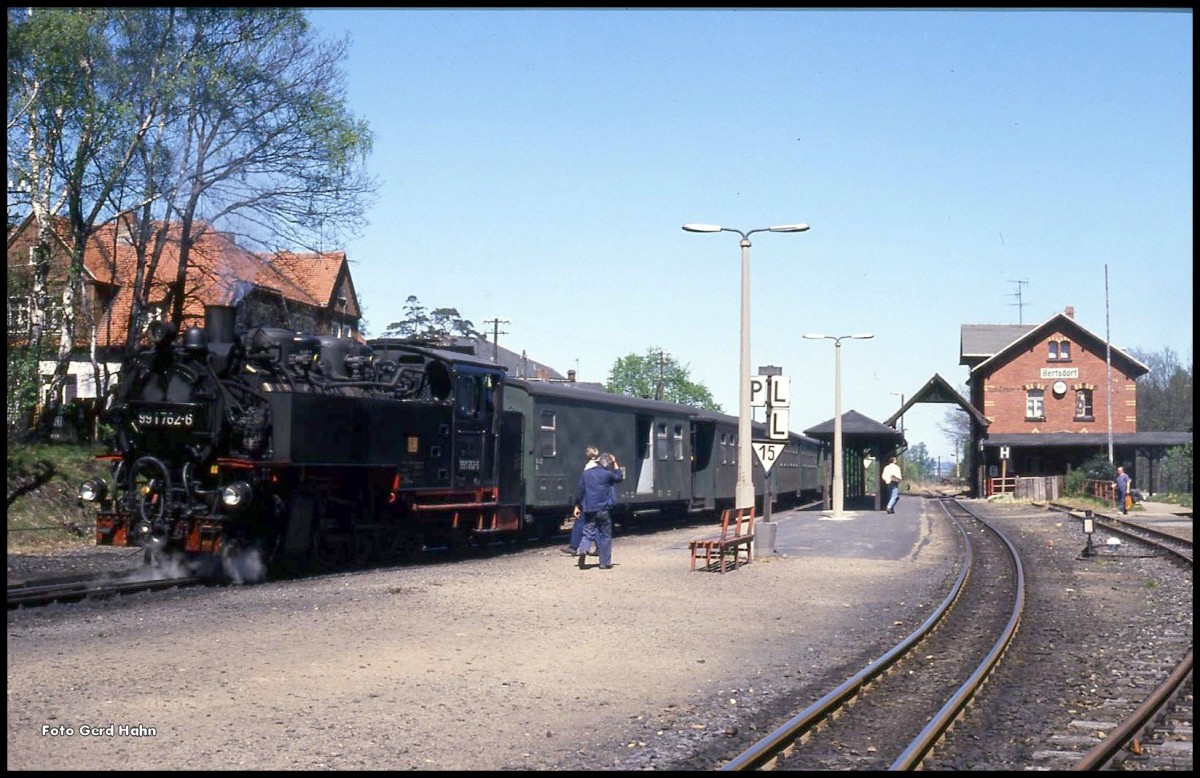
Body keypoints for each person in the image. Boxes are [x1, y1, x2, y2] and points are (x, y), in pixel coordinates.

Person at [572, 450, 624, 570]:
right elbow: (619, 478)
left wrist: (576, 506)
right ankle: (604, 563)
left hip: (589, 509)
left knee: (588, 532)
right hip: (603, 509)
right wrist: (615, 463)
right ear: (607, 464)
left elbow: (579, 491)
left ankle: (583, 550)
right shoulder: (607, 474)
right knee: (605, 535)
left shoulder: (586, 474)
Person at [563, 446, 600, 555]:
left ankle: (573, 547)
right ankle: (599, 548)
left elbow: (581, 489)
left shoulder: (587, 469)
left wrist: (577, 504)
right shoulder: (601, 467)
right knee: (596, 525)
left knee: (580, 523)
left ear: (587, 455)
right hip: (599, 501)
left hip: (587, 502)